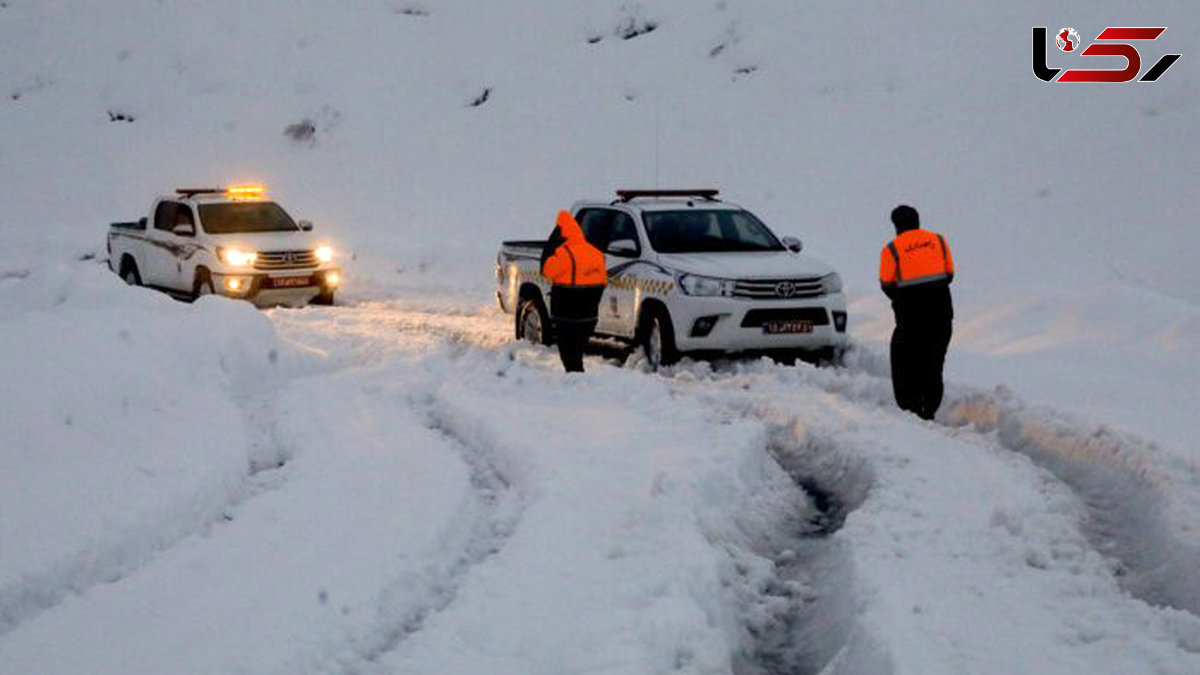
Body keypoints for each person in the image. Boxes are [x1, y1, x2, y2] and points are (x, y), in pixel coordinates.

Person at [879, 205, 954, 420]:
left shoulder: (891, 249)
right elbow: (949, 275)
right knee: (934, 361)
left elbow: (887, 284)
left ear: (895, 226)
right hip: (942, 314)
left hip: (910, 319)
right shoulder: (939, 241)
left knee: (905, 361)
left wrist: (905, 299)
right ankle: (929, 408)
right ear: (918, 221)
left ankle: (910, 408)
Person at [541, 210, 607, 372]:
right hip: (589, 315)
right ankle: (577, 380)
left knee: (569, 354)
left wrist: (550, 248)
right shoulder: (596, 254)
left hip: (567, 315)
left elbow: (546, 270)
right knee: (577, 352)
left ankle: (576, 383)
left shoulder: (564, 255)